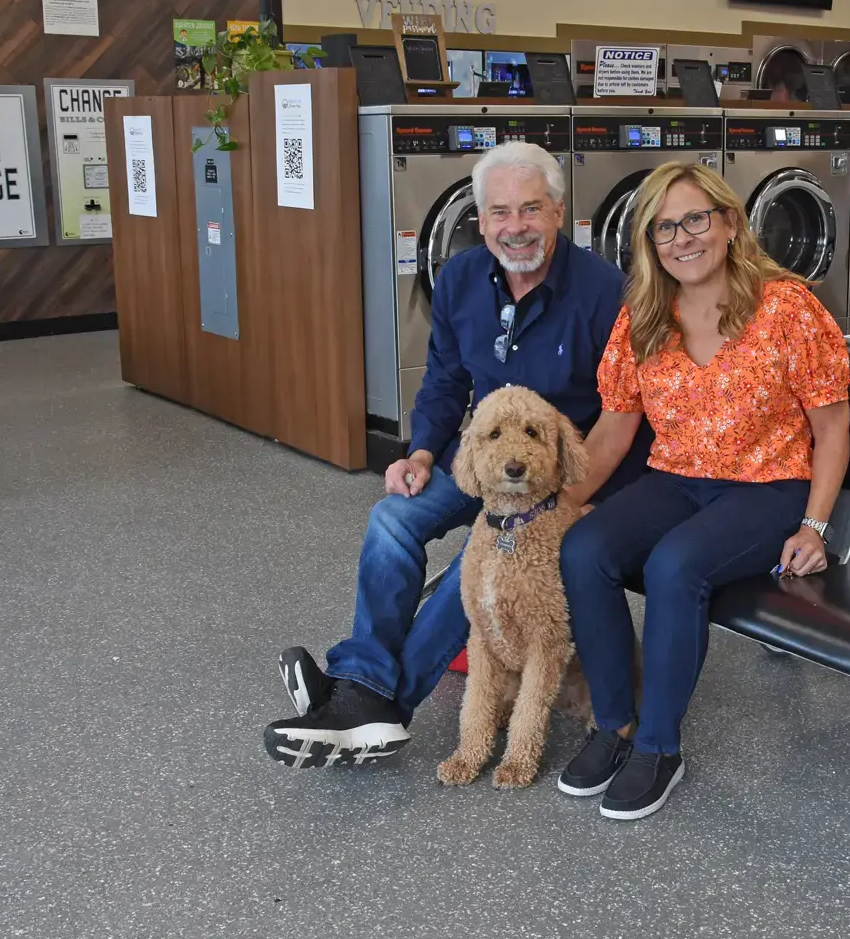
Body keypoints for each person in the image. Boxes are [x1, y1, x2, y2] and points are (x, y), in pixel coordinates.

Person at [264, 142, 648, 770]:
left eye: (530, 209)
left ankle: (376, 707)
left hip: (568, 476)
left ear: (557, 211)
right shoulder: (462, 278)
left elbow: (620, 419)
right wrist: (418, 454)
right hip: (487, 461)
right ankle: (362, 680)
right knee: (392, 518)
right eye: (499, 212)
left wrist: (553, 507)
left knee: (484, 559)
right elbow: (445, 381)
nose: (514, 227)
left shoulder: (607, 294)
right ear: (481, 217)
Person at [553, 161, 850, 820]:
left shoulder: (785, 308)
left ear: (729, 223)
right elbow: (610, 433)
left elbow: (831, 427)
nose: (681, 239)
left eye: (694, 219)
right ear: (648, 242)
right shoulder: (644, 316)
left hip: (766, 488)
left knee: (675, 566)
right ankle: (614, 725)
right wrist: (555, 512)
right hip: (676, 479)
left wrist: (817, 527)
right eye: (664, 228)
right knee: (582, 549)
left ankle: (659, 746)